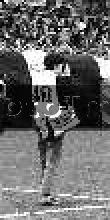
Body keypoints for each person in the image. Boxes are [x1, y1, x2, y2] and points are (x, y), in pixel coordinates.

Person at [33, 52, 80, 206]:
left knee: (44, 158)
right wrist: (67, 75)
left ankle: (45, 190)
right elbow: (73, 90)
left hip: (40, 120)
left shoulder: (37, 77)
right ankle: (45, 194)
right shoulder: (58, 80)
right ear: (57, 65)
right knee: (53, 159)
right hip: (53, 121)